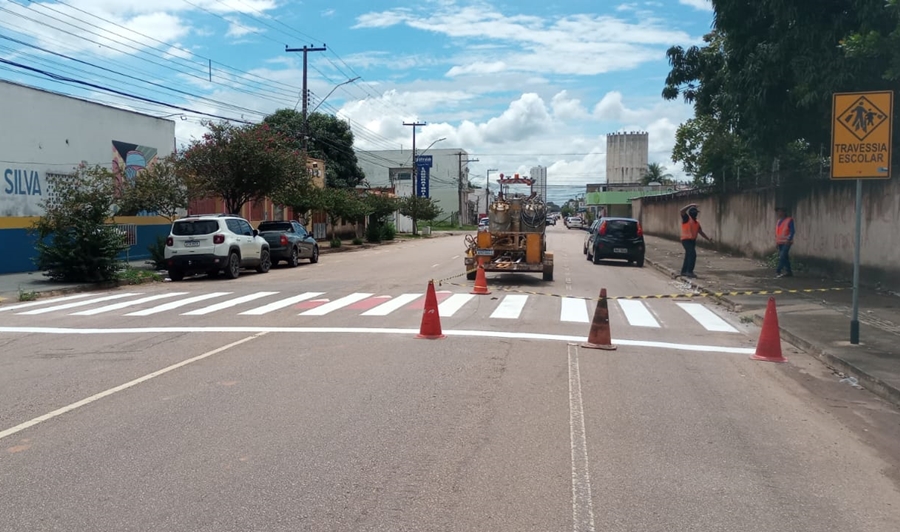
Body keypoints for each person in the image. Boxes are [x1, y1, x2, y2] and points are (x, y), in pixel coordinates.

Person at [679, 203, 712, 278]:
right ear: (691, 213)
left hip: (692, 241)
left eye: (696, 213)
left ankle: (684, 271)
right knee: (692, 255)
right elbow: (681, 211)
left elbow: (700, 232)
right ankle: (689, 272)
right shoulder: (686, 218)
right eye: (695, 213)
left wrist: (708, 239)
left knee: (688, 255)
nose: (695, 214)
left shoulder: (696, 222)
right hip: (686, 240)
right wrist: (690, 205)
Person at [775, 207, 795, 278]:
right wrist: (777, 242)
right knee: (785, 257)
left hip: (786, 242)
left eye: (780, 211)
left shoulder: (789, 220)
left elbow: (792, 231)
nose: (779, 213)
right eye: (778, 212)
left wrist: (789, 239)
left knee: (782, 256)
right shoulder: (778, 221)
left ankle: (778, 270)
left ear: (784, 212)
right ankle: (788, 271)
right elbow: (778, 233)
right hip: (780, 242)